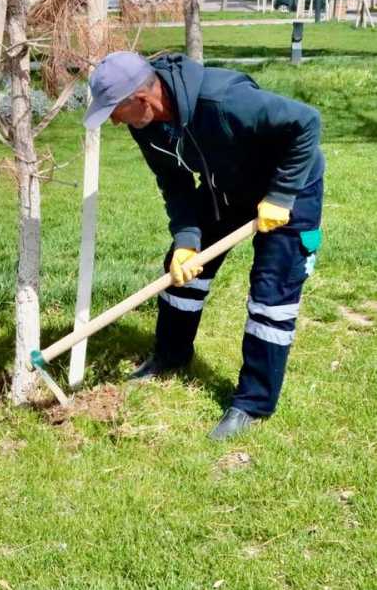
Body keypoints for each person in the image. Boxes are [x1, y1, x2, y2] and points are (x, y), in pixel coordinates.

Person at [85, 51, 324, 440]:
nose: (113, 120)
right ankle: (171, 356)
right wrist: (186, 240)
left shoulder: (224, 101)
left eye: (115, 110)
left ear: (142, 99)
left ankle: (252, 403)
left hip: (290, 190)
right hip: (225, 191)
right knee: (181, 273)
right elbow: (174, 183)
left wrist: (280, 196)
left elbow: (306, 123)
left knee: (271, 295)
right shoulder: (145, 126)